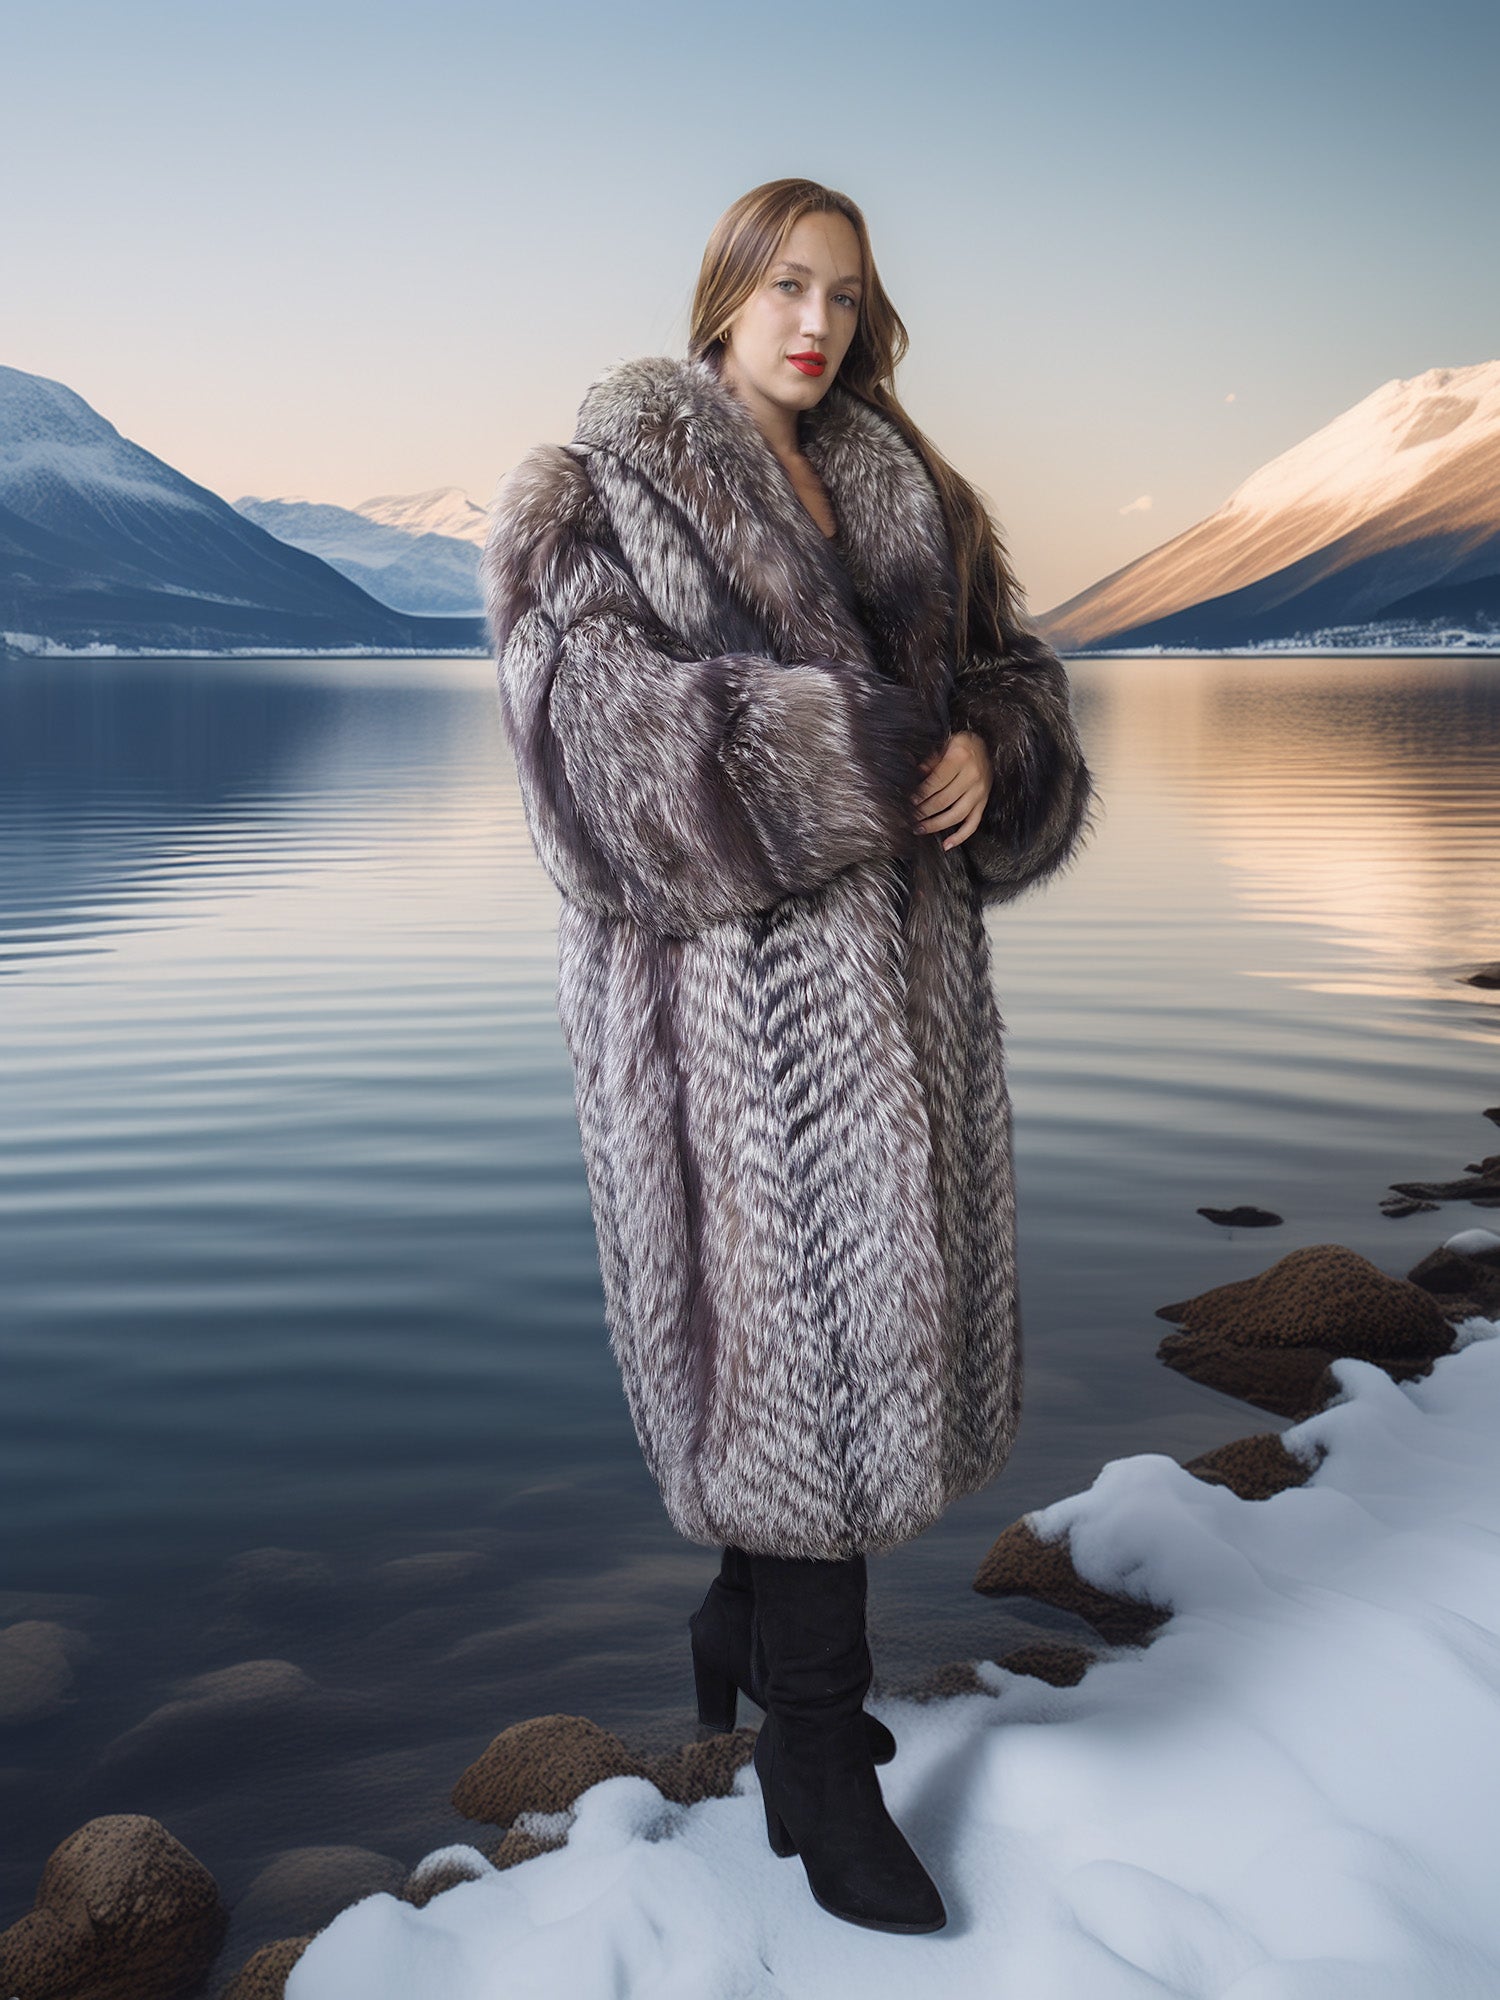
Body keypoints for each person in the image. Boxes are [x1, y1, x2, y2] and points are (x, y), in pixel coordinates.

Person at [482, 178, 1097, 1934]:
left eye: (844, 292)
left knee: (848, 1365)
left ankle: (747, 1619)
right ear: (724, 295)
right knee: (802, 1379)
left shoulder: (921, 496)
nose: (814, 320)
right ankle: (815, 1758)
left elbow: (1021, 682)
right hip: (723, 1032)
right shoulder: (591, 492)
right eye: (785, 285)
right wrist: (858, 749)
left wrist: (991, 745)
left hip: (905, 1012)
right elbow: (589, 761)